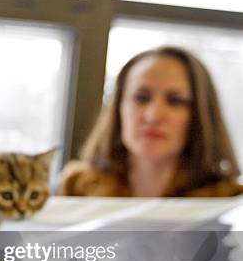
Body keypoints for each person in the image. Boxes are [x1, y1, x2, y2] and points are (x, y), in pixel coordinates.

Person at [59, 46, 243, 197]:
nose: (153, 116)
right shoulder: (74, 187)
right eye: (141, 98)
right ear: (118, 109)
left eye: (176, 101)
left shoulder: (231, 199)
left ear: (200, 115)